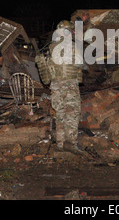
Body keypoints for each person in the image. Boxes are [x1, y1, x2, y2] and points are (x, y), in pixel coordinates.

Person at [35, 20, 85, 155]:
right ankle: (71, 143)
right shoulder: (73, 46)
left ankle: (60, 143)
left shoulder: (51, 47)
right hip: (69, 84)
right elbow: (81, 64)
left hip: (56, 85)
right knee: (72, 113)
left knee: (60, 114)